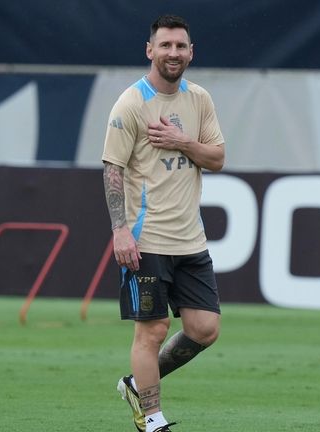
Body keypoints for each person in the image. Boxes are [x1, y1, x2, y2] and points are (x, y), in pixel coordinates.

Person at [101, 14, 225, 432]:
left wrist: (183, 142)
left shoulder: (200, 100)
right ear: (149, 50)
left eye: (181, 46)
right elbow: (112, 169)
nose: (174, 53)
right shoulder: (131, 104)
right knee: (153, 330)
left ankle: (138, 385)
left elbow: (218, 159)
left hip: (191, 240)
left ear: (191, 52)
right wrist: (120, 230)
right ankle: (150, 417)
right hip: (145, 239)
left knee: (205, 329)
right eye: (165, 45)